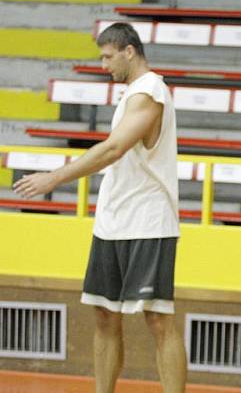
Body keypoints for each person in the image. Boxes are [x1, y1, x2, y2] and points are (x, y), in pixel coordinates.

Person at [13, 22, 187, 393]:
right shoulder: (130, 95)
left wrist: (55, 177)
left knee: (158, 319)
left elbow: (113, 148)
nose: (104, 64)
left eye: (108, 56)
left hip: (148, 220)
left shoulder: (150, 90)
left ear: (129, 51)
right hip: (113, 220)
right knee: (104, 314)